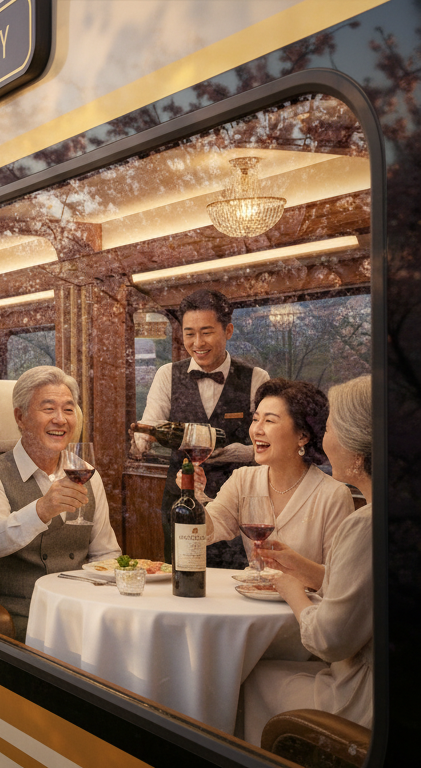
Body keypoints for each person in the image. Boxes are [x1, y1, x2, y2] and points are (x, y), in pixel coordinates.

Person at [240, 375, 373, 742]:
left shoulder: (364, 525)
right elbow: (360, 590)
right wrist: (303, 568)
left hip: (366, 699)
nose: (323, 438)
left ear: (357, 452)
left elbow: (329, 640)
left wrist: (290, 588)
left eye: (328, 428)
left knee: (245, 677)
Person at [0, 366, 121, 640]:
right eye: (48, 409)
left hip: (83, 610)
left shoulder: (86, 472)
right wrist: (41, 510)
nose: (60, 420)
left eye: (69, 409)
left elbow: (105, 554)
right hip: (25, 615)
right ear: (20, 417)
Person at [131, 289, 269, 567]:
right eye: (189, 333)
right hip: (181, 498)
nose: (197, 343)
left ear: (227, 330)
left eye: (206, 332)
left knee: (237, 576)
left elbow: (267, 447)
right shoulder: (166, 375)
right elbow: (151, 424)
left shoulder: (256, 378)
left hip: (237, 500)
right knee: (183, 572)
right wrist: (140, 440)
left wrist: (232, 453)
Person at [196, 379, 353, 566]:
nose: (256, 430)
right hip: (253, 593)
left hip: (307, 596)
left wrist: (292, 571)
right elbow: (206, 532)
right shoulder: (243, 480)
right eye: (255, 420)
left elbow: (336, 579)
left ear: (303, 436)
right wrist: (194, 495)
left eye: (269, 420)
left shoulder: (333, 496)